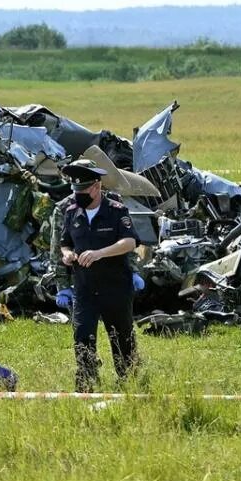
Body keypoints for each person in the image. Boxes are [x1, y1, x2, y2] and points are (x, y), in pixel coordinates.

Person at [57, 159, 139, 392]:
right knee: (82, 336)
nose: (78, 195)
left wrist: (99, 253)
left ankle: (129, 383)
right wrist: (68, 255)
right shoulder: (71, 213)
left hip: (115, 287)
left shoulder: (116, 211)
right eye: (75, 191)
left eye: (83, 190)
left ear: (97, 186)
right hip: (84, 288)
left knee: (122, 338)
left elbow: (130, 242)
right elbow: (65, 243)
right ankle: (86, 385)